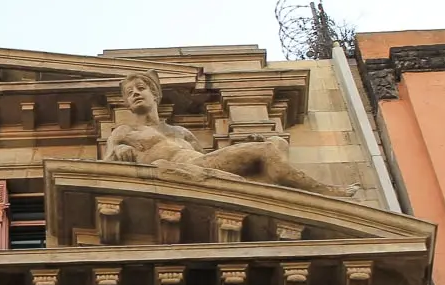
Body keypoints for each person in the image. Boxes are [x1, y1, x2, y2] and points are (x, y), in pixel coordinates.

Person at [103, 71, 358, 198]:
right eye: (129, 93)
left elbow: (210, 159)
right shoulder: (125, 131)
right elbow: (106, 166)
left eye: (140, 88)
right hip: (177, 171)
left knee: (276, 141)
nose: (135, 93)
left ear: (155, 94)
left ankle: (287, 190)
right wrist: (119, 152)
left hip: (198, 167)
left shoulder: (180, 132)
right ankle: (325, 193)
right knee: (269, 149)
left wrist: (245, 143)